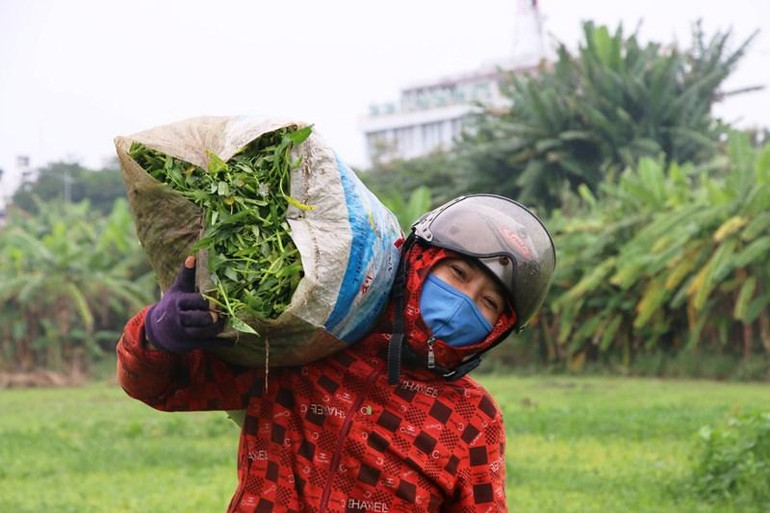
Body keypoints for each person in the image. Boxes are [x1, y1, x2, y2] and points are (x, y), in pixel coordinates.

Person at [117, 194, 556, 512]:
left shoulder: (473, 419)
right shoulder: (309, 344)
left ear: (497, 330)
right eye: (458, 273)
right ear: (421, 260)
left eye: (488, 302)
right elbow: (161, 388)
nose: (464, 299)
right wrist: (156, 334)